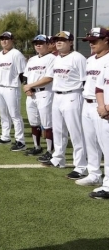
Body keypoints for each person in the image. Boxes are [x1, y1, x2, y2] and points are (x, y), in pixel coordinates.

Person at [41, 31, 87, 180]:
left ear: (71, 42)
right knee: (59, 131)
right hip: (57, 96)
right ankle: (58, 158)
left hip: (73, 95)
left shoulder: (78, 58)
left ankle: (81, 166)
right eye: (56, 40)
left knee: (76, 133)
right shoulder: (56, 59)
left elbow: (85, 81)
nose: (59, 42)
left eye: (62, 40)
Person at [77, 28, 109, 186]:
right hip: (87, 102)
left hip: (102, 106)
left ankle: (107, 181)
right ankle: (94, 174)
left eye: (95, 41)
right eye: (89, 41)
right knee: (89, 141)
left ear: (106, 41)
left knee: (106, 144)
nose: (91, 44)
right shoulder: (90, 60)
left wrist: (104, 106)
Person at [21, 35, 56, 157]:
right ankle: (37, 147)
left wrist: (29, 85)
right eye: (36, 43)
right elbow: (25, 76)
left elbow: (49, 78)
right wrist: (27, 88)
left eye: (41, 42)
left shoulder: (52, 58)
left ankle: (50, 151)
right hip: (31, 94)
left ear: (48, 44)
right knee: (33, 122)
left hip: (45, 92)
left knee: (47, 123)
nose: (38, 45)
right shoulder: (32, 59)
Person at [0, 31, 27, 151]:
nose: (4, 41)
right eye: (2, 39)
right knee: (3, 114)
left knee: (15, 115)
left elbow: (22, 73)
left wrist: (24, 86)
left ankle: (20, 141)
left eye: (7, 39)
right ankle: (5, 136)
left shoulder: (16, 54)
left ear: (12, 40)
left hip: (11, 87)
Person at [91, 44, 109, 199]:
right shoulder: (106, 64)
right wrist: (102, 106)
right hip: (104, 112)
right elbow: (99, 88)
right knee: (107, 150)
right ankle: (107, 185)